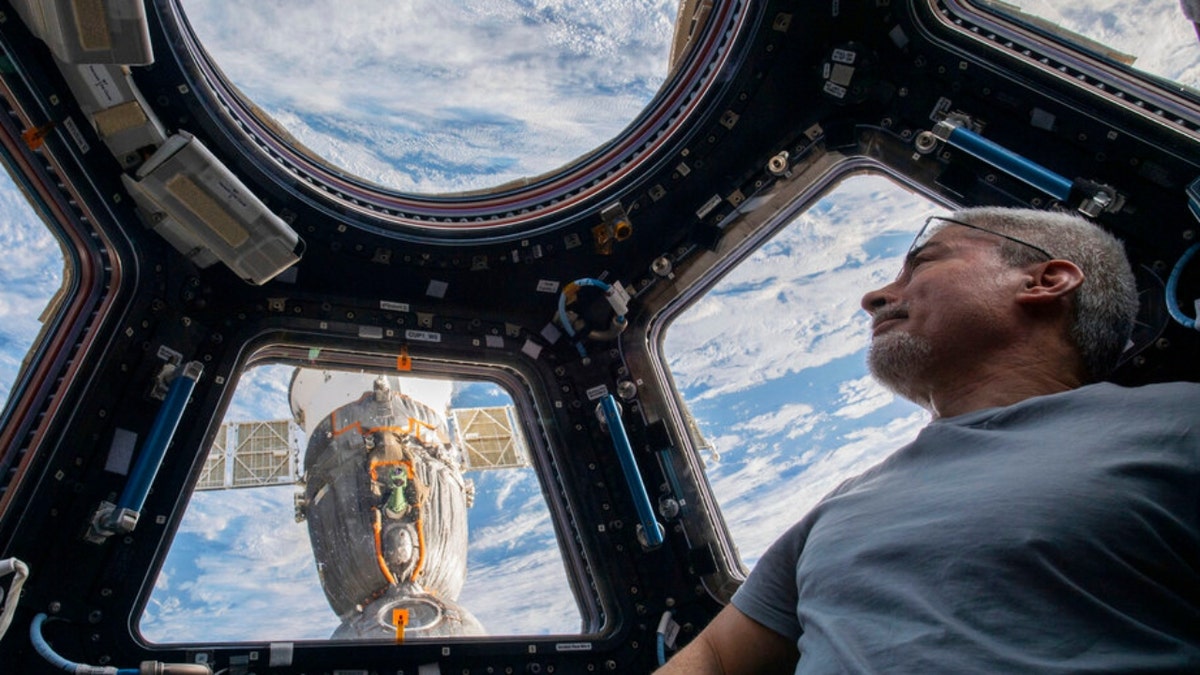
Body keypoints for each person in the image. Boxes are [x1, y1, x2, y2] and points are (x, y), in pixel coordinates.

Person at [655, 207, 1200, 674]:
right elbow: (716, 660)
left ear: (1044, 281)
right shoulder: (838, 508)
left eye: (923, 262)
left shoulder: (1180, 422)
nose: (873, 297)